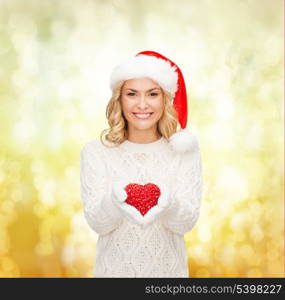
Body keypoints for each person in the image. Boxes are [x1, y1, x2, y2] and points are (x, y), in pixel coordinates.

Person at [80, 50, 203, 278]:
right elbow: (98, 223)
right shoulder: (96, 152)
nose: (142, 105)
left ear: (165, 99)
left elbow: (185, 223)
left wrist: (166, 201)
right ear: (120, 98)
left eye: (153, 94)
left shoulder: (183, 152)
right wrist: (116, 200)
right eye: (132, 94)